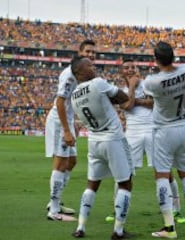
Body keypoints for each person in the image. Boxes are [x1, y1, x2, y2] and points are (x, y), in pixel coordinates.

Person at [104, 59, 185, 224]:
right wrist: (133, 89)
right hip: (132, 134)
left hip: (152, 130)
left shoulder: (148, 85)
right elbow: (127, 106)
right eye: (126, 68)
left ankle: (176, 210)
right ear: (121, 71)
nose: (130, 70)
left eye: (132, 67)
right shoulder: (119, 91)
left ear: (137, 69)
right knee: (124, 172)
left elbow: (155, 104)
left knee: (165, 171)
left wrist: (136, 100)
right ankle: (117, 208)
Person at [69, 56, 134, 239]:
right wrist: (112, 97)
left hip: (94, 141)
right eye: (89, 65)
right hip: (113, 138)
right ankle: (118, 231)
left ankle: (80, 227)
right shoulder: (97, 83)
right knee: (125, 183)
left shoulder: (74, 96)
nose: (93, 66)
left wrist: (107, 99)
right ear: (79, 72)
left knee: (92, 184)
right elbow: (123, 97)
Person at [144, 41, 185, 238]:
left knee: (161, 177)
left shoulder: (153, 82)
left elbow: (145, 94)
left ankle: (169, 228)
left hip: (164, 131)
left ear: (156, 59)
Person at [44, 39, 96, 220]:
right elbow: (59, 102)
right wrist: (66, 130)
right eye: (87, 51)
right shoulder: (69, 74)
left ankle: (55, 202)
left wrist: (73, 123)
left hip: (67, 121)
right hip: (59, 122)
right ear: (79, 52)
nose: (91, 55)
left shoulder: (83, 74)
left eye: (93, 53)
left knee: (72, 161)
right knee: (60, 163)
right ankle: (54, 209)